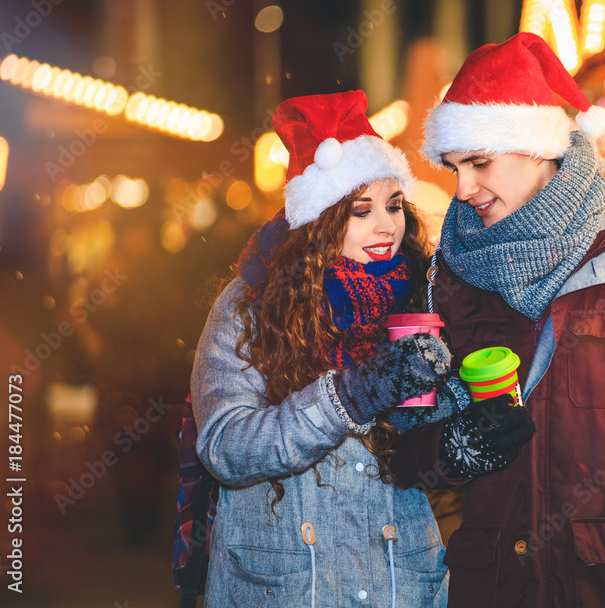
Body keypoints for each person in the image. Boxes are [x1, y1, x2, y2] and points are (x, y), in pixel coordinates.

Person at [392, 33, 605, 608]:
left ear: (538, 148)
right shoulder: (445, 277)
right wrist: (447, 451)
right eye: (454, 166)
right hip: (493, 588)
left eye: (480, 163)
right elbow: (403, 443)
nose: (463, 189)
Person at [192, 91, 454, 607]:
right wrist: (348, 399)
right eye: (361, 210)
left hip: (397, 584)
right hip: (289, 585)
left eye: (394, 204)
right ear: (320, 219)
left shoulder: (422, 291)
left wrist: (460, 432)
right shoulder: (251, 305)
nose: (387, 225)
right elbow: (225, 448)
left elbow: (427, 452)